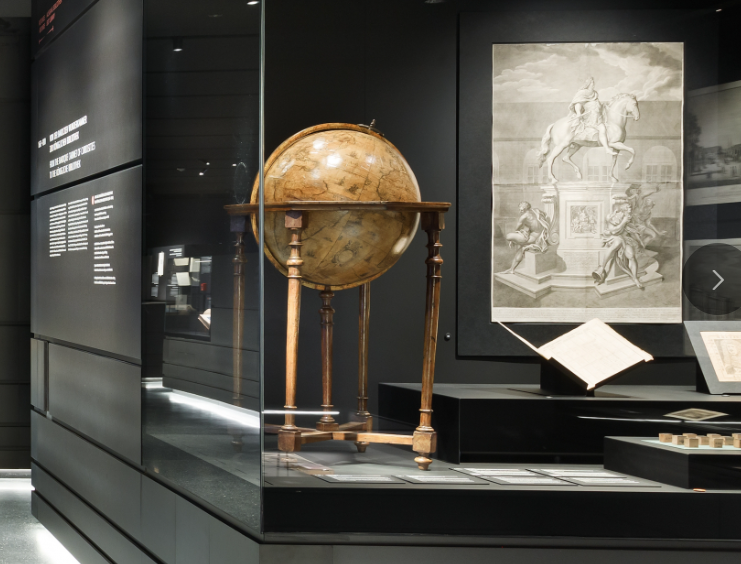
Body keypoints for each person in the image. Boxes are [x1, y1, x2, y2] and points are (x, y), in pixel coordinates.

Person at [592, 203, 643, 289]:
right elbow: (613, 231)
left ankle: (635, 278)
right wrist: (623, 222)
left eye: (630, 209)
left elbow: (633, 230)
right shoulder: (614, 217)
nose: (630, 210)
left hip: (625, 238)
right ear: (624, 209)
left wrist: (639, 241)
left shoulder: (630, 217)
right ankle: (601, 268)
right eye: (628, 208)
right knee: (618, 242)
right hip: (614, 236)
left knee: (631, 255)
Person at [569, 77, 616, 156]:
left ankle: (607, 149)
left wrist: (603, 105)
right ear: (587, 84)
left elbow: (597, 103)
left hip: (597, 118)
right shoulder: (582, 92)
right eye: (591, 83)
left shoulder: (595, 93)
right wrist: (578, 113)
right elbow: (577, 103)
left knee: (603, 129)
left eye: (593, 83)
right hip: (587, 117)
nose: (593, 84)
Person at [505, 202, 551, 274]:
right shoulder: (536, 211)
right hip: (539, 236)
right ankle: (512, 269)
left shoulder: (524, 217)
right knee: (520, 249)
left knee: (508, 236)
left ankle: (511, 269)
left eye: (521, 210)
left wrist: (512, 240)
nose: (520, 211)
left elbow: (517, 229)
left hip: (532, 238)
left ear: (524, 209)